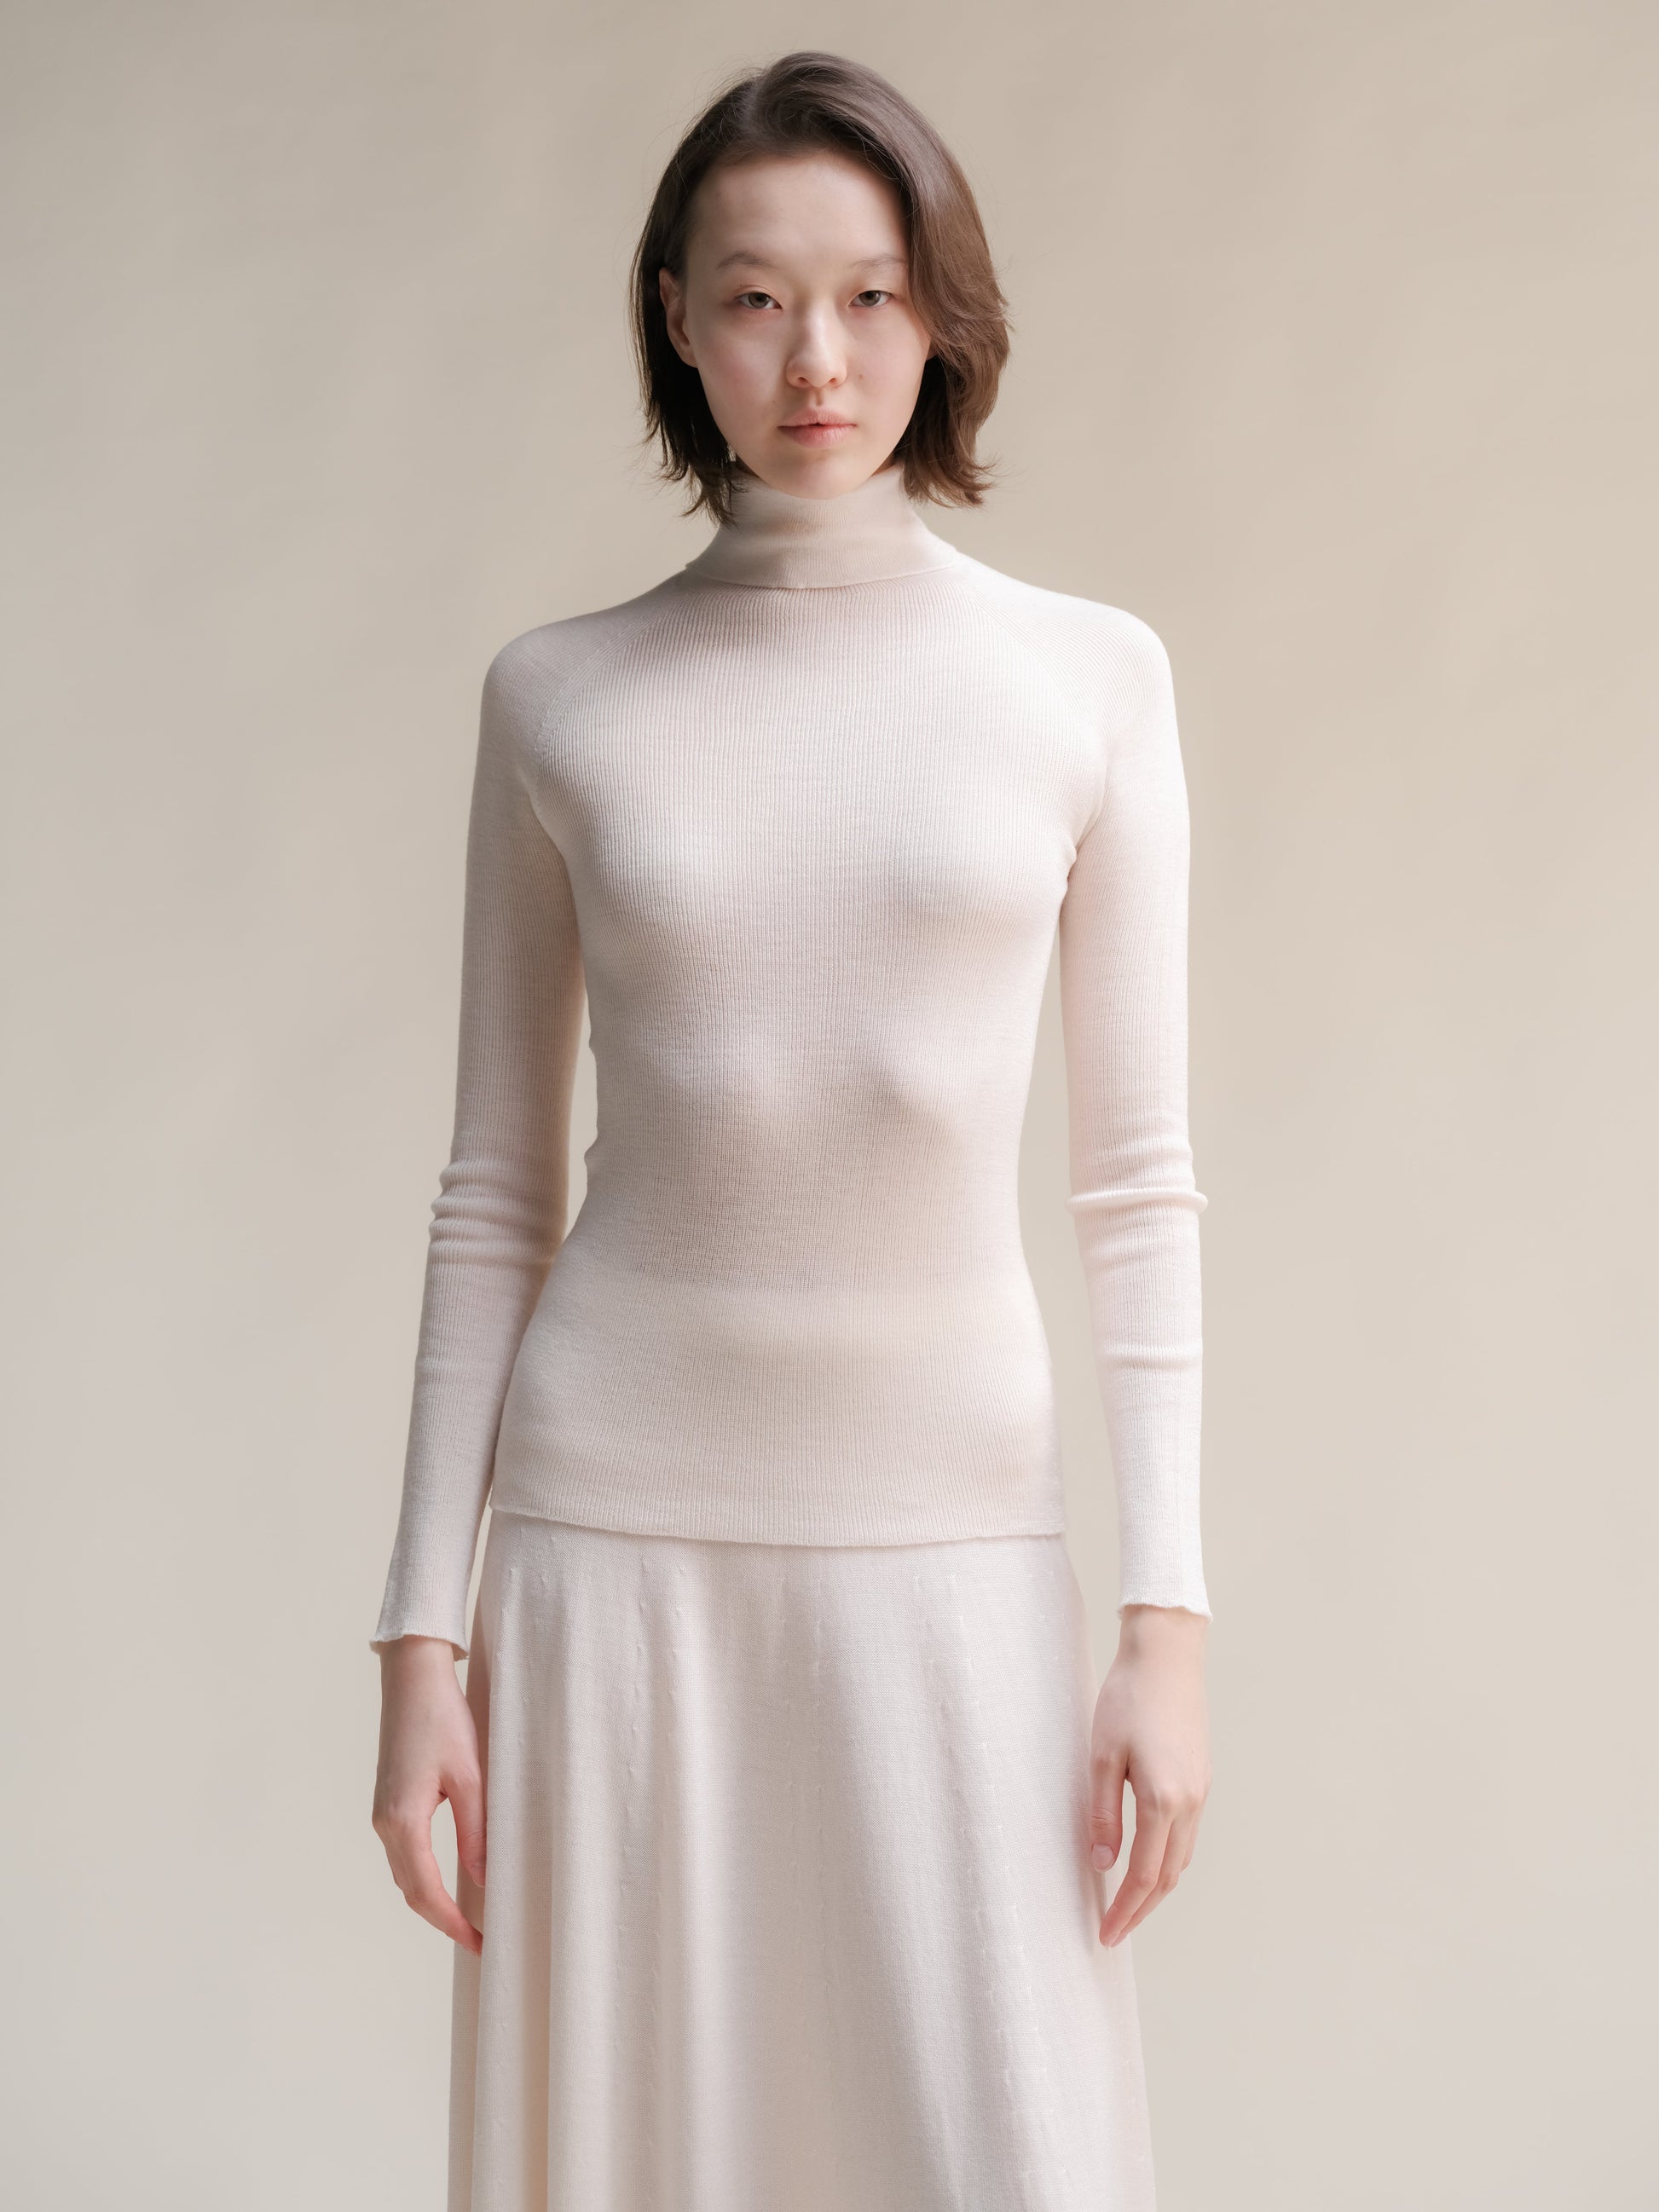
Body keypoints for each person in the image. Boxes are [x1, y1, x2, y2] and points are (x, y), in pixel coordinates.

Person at [370, 47, 1211, 2212]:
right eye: (753, 299)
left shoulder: (1087, 680)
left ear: (940, 316)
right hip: (605, 1543)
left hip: (949, 1535)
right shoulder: (557, 696)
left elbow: (1136, 1190)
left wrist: (1166, 1620)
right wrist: (419, 1640)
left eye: (866, 295)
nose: (815, 359)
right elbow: (492, 1191)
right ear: (676, 318)